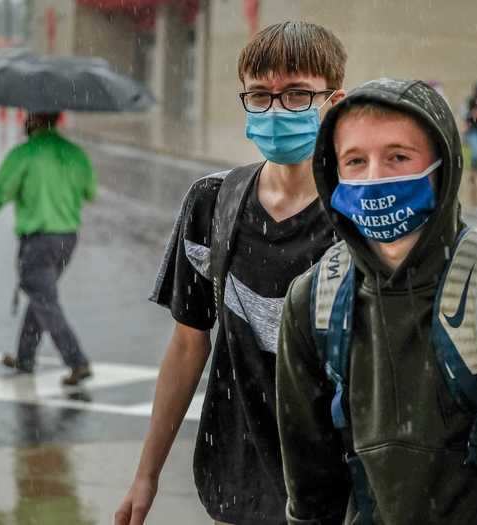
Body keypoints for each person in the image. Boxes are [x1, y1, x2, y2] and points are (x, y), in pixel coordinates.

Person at [277, 79, 477, 523]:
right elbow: (310, 498)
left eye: (398, 157)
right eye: (355, 161)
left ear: (443, 165)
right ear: (333, 173)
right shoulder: (313, 302)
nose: (375, 178)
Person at [114, 21, 347, 525]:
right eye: (260, 96)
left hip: (336, 488)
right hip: (234, 480)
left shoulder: (358, 216)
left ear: (334, 101)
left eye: (297, 94)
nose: (277, 110)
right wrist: (146, 474)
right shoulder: (213, 203)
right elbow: (187, 343)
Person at [0, 112, 96, 386]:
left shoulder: (25, 154)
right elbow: (91, 192)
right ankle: (25, 357)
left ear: (32, 121)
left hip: (38, 241)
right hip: (67, 239)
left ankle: (77, 360)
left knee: (44, 299)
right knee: (41, 294)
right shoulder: (75, 153)